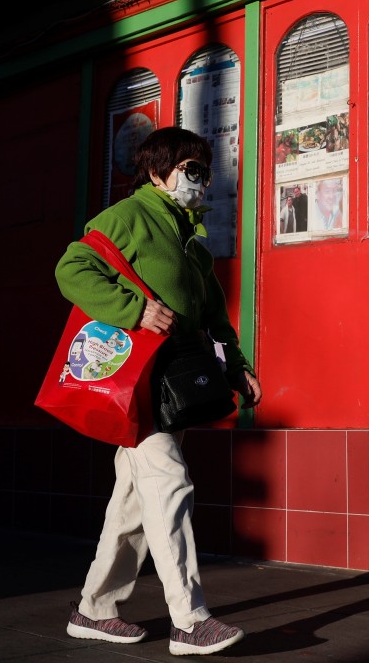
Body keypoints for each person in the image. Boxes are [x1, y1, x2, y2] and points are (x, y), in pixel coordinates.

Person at [55, 126, 262, 657]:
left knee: (132, 504)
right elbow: (71, 267)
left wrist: (237, 367)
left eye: (205, 170)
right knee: (168, 484)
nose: (201, 180)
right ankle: (189, 620)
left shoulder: (188, 238)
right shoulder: (131, 217)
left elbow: (214, 313)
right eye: (190, 169)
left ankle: (94, 609)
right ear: (156, 171)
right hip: (139, 383)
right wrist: (135, 310)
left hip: (174, 383)